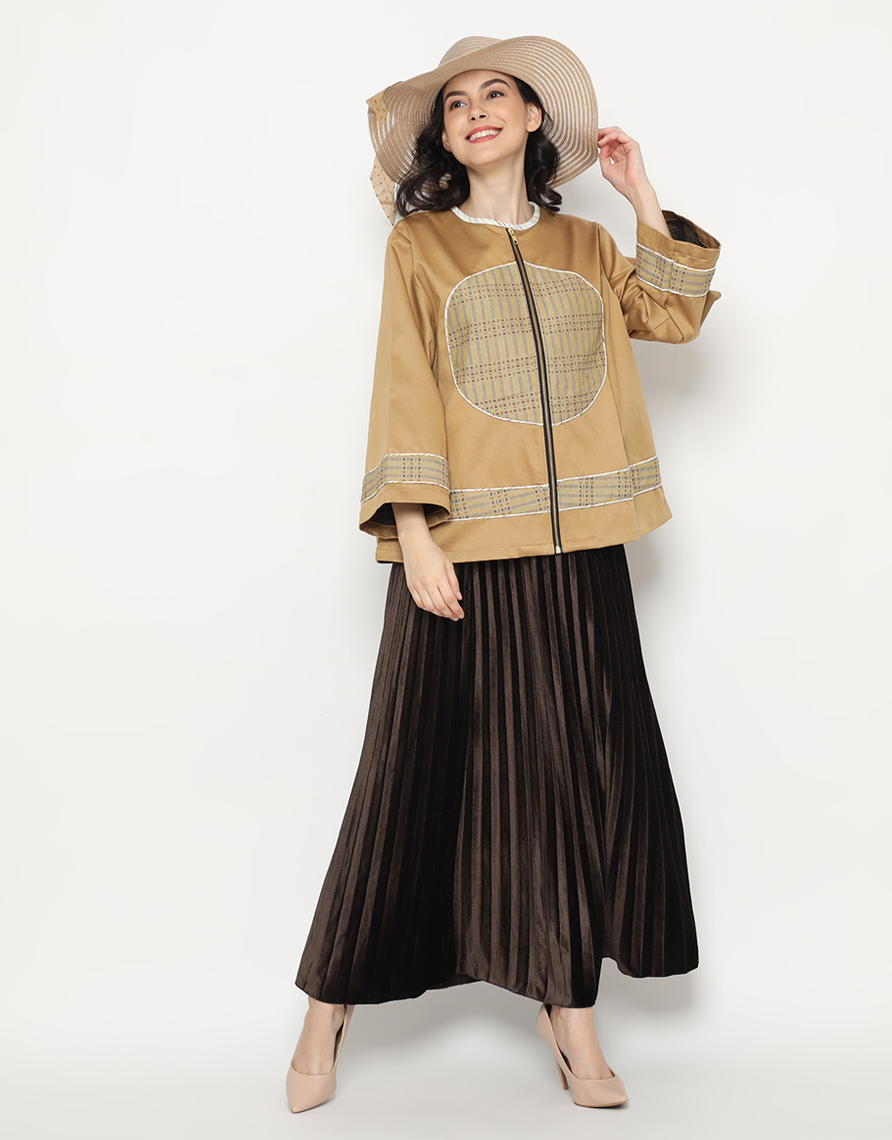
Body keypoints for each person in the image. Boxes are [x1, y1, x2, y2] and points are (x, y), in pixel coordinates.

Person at [287, 34, 722, 1112]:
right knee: (410, 773)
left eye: (497, 94)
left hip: (584, 556)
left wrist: (642, 195)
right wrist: (416, 534)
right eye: (456, 104)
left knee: (578, 773)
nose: (475, 110)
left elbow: (672, 317)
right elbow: (404, 383)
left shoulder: (586, 243)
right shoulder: (422, 247)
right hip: (463, 554)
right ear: (444, 138)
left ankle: (569, 1014)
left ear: (534, 119)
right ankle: (327, 1007)